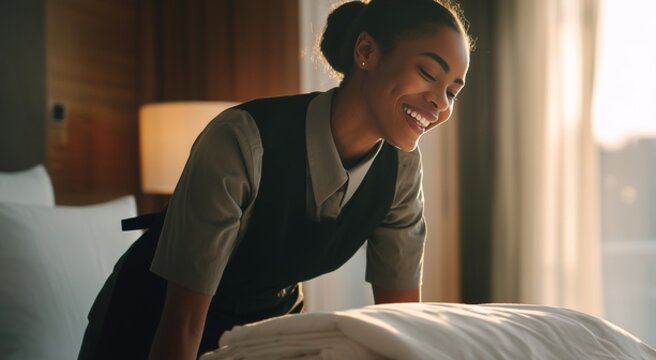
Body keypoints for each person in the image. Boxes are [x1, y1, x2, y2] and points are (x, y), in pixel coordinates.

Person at [77, 0, 471, 358]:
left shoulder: (401, 168)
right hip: (153, 326)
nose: (441, 103)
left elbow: (399, 322)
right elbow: (183, 324)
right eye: (428, 73)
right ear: (366, 52)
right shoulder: (242, 140)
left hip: (266, 326)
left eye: (452, 91)